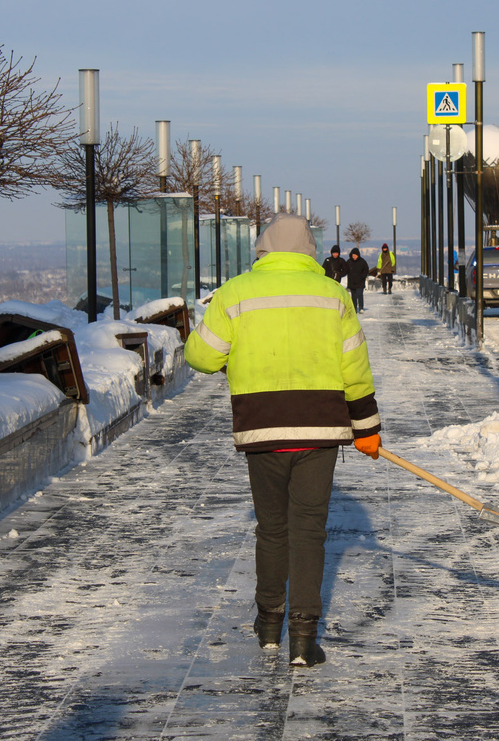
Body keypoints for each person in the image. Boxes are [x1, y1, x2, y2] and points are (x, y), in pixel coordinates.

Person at [184, 213, 382, 668]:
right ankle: (303, 639)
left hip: (263, 428)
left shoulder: (235, 294)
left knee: (272, 530)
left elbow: (199, 355)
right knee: (308, 533)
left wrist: (230, 359)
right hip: (319, 430)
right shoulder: (333, 297)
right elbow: (355, 370)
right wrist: (367, 429)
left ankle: (268, 626)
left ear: (263, 249)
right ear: (310, 251)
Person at [346, 247, 369, 313]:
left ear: (358, 255)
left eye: (355, 255)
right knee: (353, 296)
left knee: (359, 295)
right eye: (353, 255)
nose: (354, 257)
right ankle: (354, 308)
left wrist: (362, 276)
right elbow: (345, 270)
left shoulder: (362, 261)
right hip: (352, 282)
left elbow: (366, 270)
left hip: (360, 282)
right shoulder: (349, 262)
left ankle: (361, 307)